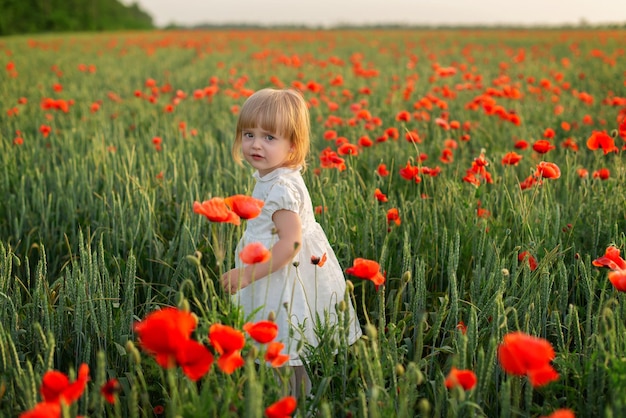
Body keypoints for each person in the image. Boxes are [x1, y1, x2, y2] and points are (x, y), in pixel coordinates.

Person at [220, 88, 362, 397]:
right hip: (276, 272)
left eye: (269, 137)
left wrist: (245, 275)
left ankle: (292, 403)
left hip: (281, 278)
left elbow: (291, 245)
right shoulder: (273, 176)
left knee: (282, 347)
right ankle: (297, 400)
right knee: (286, 348)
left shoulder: (282, 189)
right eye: (248, 134)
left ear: (293, 145)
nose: (255, 144)